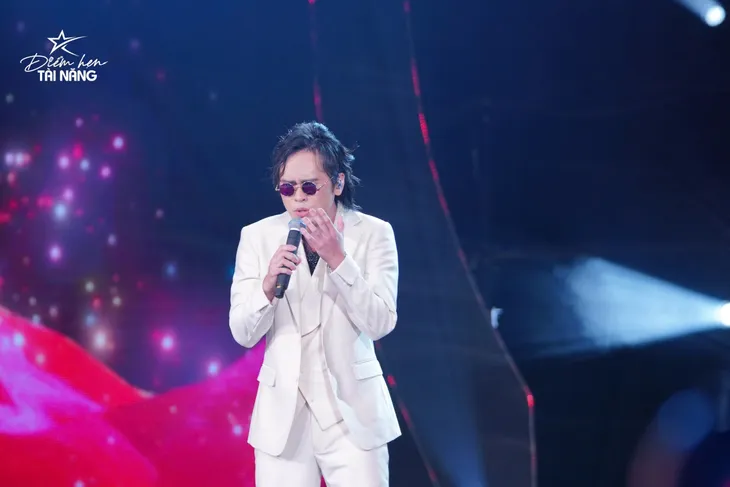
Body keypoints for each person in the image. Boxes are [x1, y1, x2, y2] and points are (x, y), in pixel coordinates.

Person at [228, 121, 401, 486]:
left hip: (354, 416)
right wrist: (266, 288)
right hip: (283, 420)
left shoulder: (374, 234)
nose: (298, 198)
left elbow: (381, 322)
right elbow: (243, 333)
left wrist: (339, 260)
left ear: (337, 183)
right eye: (287, 188)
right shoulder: (257, 237)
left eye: (309, 186)